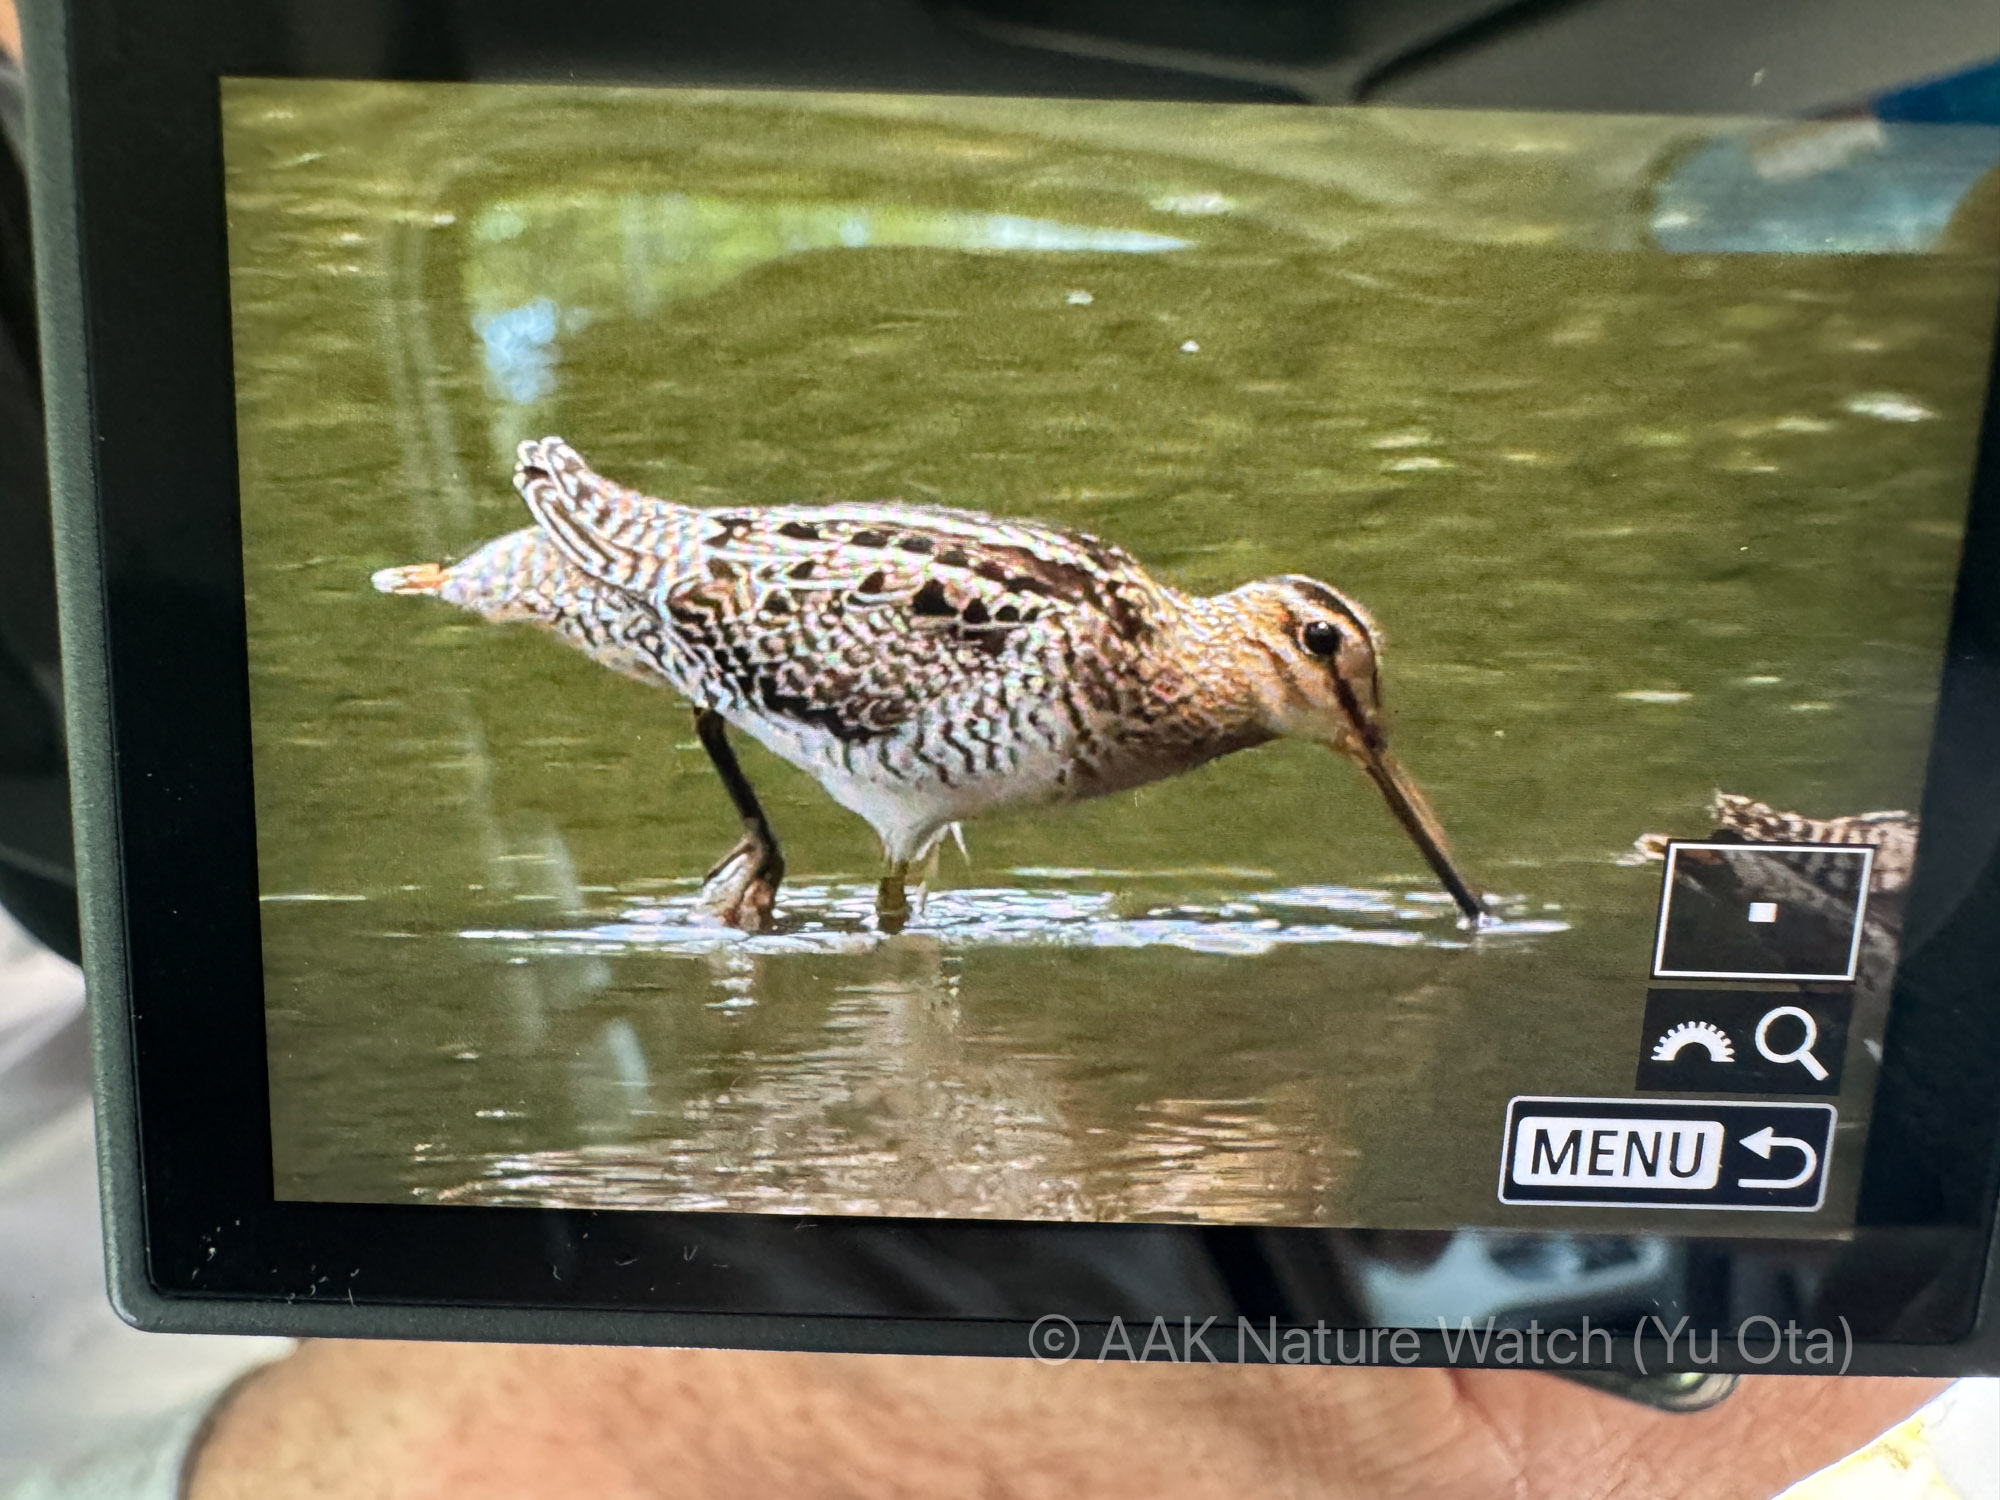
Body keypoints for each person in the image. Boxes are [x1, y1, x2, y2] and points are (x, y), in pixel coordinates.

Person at [0, 4, 1956, 1495]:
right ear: (1269, 636)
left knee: (896, 880)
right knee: (887, 916)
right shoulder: (1061, 652)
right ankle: (767, 868)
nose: (1349, 733)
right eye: (1328, 674)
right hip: (660, 600)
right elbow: (750, 624)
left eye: (1349, 699)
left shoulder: (1153, 670)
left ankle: (755, 871)